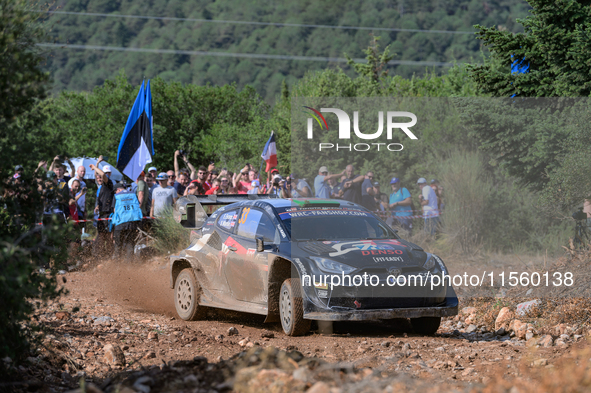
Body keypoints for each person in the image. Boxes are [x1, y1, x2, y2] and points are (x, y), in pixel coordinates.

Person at [111, 183, 143, 261]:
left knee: (118, 245)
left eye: (115, 191)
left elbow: (114, 210)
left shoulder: (117, 196)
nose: (115, 193)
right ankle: (129, 266)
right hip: (132, 223)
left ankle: (118, 266)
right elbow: (137, 206)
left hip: (120, 223)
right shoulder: (133, 194)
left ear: (118, 189)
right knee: (130, 244)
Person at [91, 156, 114, 257]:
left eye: (108, 173)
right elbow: (97, 175)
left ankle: (109, 256)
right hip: (101, 214)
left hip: (108, 214)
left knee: (109, 237)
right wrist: (97, 163)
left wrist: (95, 166)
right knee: (101, 236)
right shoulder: (100, 186)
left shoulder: (109, 183)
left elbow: (102, 175)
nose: (100, 178)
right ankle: (100, 257)